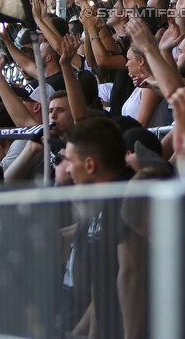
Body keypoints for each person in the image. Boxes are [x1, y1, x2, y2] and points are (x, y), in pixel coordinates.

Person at [61, 118, 144, 339]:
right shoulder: (101, 202)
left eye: (69, 160)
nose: (67, 169)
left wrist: (130, 337)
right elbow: (103, 286)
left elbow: (131, 272)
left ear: (90, 164)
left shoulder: (124, 196)